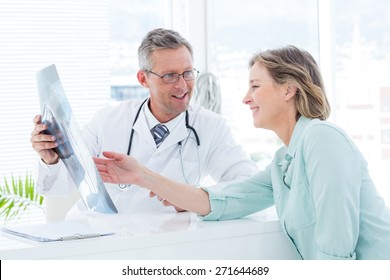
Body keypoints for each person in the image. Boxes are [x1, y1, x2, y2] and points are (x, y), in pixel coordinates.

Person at [93, 45, 390, 259]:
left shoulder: (322, 138)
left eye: (255, 86)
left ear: (288, 90)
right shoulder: (283, 162)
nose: (246, 98)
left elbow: (336, 245)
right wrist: (142, 175)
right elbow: (224, 201)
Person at [30, 28, 258, 215]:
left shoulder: (211, 126)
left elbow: (247, 185)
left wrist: (193, 199)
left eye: (188, 73)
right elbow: (58, 188)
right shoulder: (108, 120)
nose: (182, 85)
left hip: (161, 241)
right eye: (169, 76)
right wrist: (50, 160)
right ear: (143, 79)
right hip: (98, 232)